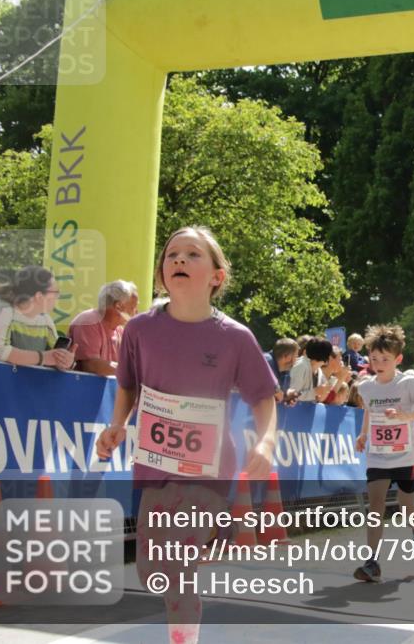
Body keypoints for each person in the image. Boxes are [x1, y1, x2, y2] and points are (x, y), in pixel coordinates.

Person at [95, 226, 278, 644]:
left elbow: (263, 398)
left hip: (209, 469)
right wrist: (117, 425)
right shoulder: (139, 330)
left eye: (192, 254)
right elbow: (128, 384)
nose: (178, 259)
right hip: (154, 464)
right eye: (172, 254)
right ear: (162, 273)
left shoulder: (235, 337)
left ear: (217, 275)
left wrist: (266, 441)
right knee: (150, 569)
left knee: (175, 566)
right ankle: (209, 544)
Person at [353, 324, 414, 582]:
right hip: (377, 456)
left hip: (406, 457)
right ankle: (372, 563)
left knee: (405, 507)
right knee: (375, 507)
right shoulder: (366, 386)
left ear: (398, 359)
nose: (378, 363)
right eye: (374, 358)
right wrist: (364, 433)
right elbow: (369, 411)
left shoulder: (408, 383)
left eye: (385, 359)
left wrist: (405, 415)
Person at [0, 265, 74, 370]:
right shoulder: (4, 312)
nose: (58, 297)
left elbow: (55, 357)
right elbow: (0, 352)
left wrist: (66, 361)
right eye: (56, 293)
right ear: (39, 296)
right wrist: (44, 357)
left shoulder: (46, 320)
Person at [68, 279, 138, 375]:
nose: (136, 312)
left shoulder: (120, 330)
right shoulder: (89, 321)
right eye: (133, 307)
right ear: (118, 307)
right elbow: (91, 365)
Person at [290, 336, 333, 402]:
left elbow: (319, 398)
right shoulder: (300, 366)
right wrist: (314, 392)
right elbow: (290, 396)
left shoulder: (319, 372)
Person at [264, 337, 299, 402]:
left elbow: (281, 394)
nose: (297, 360)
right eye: (296, 356)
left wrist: (288, 395)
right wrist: (274, 390)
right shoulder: (265, 361)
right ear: (286, 356)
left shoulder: (286, 372)